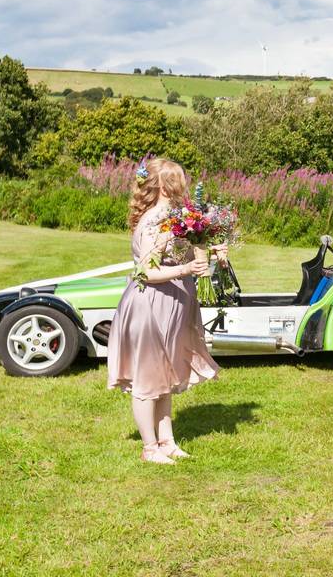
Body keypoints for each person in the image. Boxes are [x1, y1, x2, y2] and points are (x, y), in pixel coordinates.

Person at [107, 158, 222, 464]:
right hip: (150, 306)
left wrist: (212, 250)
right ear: (166, 185)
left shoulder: (176, 217)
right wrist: (187, 268)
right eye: (178, 180)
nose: (183, 185)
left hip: (172, 304)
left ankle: (167, 442)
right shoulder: (154, 221)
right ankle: (149, 449)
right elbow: (145, 272)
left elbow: (183, 250)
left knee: (165, 378)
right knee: (147, 380)